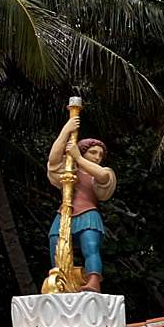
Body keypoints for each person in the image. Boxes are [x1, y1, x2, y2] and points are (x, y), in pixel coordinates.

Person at [44, 106, 116, 292]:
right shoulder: (70, 171)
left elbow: (103, 177)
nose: (98, 157)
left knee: (90, 246)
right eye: (93, 152)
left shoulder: (101, 173)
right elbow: (53, 161)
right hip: (65, 214)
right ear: (83, 151)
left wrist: (78, 157)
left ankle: (93, 280)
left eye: (100, 154)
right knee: (55, 242)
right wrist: (66, 130)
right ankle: (59, 277)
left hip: (88, 215)